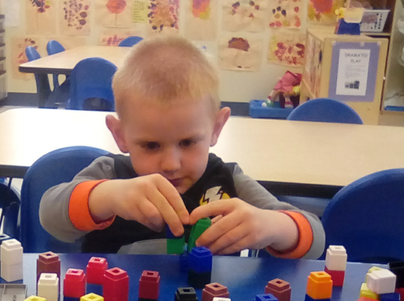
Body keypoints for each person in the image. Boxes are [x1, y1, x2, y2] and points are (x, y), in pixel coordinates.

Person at [40, 37, 324, 258]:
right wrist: (107, 197)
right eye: (151, 145)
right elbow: (50, 215)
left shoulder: (228, 179)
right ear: (120, 135)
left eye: (187, 142)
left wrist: (273, 226)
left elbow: (316, 238)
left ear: (216, 128)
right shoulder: (111, 174)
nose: (171, 164)